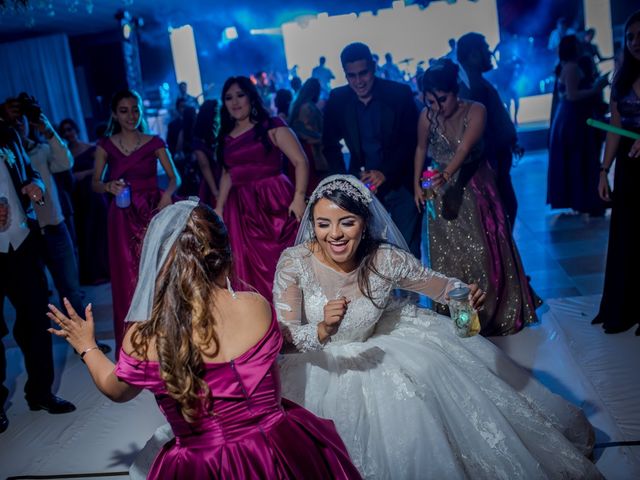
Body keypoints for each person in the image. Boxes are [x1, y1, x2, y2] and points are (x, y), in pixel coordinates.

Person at [273, 175, 601, 479]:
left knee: (424, 382)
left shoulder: (385, 259)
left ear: (364, 222)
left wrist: (465, 301)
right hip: (318, 365)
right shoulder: (294, 263)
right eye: (323, 224)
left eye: (347, 222)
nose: (335, 234)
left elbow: (444, 288)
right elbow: (284, 339)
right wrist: (321, 330)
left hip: (377, 344)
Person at [47, 200, 361, 479]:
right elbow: (277, 346)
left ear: (159, 265)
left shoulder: (146, 337)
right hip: (281, 447)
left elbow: (116, 390)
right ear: (224, 256)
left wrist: (86, 345)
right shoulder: (256, 307)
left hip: (203, 463)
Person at [413, 59, 539, 336]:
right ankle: (459, 320)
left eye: (442, 100)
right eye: (430, 102)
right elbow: (421, 148)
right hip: (440, 190)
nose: (436, 108)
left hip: (475, 186)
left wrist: (445, 176)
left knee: (482, 251)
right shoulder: (427, 116)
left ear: (455, 91)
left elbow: (464, 149)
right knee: (447, 256)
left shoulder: (476, 110)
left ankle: (491, 315)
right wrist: (416, 185)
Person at [1, 99, 75, 434]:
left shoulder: (7, 133)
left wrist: (38, 187)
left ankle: (41, 392)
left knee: (35, 317)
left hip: (23, 241)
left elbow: (31, 173)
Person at [93, 89, 180, 354]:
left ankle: (169, 337)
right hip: (121, 216)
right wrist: (108, 186)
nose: (131, 115)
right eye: (124, 110)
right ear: (114, 114)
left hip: (153, 211)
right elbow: (94, 183)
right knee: (128, 274)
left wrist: (167, 195)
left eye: (135, 109)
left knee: (160, 271)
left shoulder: (154, 141)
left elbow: (175, 177)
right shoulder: (105, 146)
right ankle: (137, 343)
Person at [323, 42, 421, 258]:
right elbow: (329, 144)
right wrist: (345, 180)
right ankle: (384, 294)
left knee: (406, 252)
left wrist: (385, 171)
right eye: (352, 76)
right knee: (371, 255)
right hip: (362, 189)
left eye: (363, 73)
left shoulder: (399, 94)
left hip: (401, 183)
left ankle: (406, 294)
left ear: (373, 67)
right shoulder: (338, 99)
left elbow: (411, 141)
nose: (359, 81)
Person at [214, 76, 308, 302]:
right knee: (246, 267)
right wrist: (218, 208)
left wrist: (299, 197)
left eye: (240, 95)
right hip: (241, 210)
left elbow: (300, 161)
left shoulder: (272, 126)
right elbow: (228, 173)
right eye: (229, 98)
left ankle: (294, 322)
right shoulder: (225, 138)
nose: (235, 102)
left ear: (251, 97)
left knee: (283, 262)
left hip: (274, 200)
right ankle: (265, 322)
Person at [592, 10, 640, 335]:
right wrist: (603, 169)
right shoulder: (620, 79)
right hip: (630, 164)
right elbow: (614, 127)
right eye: (631, 37)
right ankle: (625, 306)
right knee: (628, 235)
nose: (636, 43)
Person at [457, 32, 520, 229]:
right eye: (485, 49)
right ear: (474, 55)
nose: (489, 54)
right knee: (504, 211)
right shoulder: (473, 87)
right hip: (492, 159)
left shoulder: (477, 82)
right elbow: (480, 129)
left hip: (496, 157)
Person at [547, 35, 609, 216]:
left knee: (578, 158)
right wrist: (597, 88)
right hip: (574, 117)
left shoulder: (566, 66)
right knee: (582, 156)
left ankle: (581, 199)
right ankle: (586, 199)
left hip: (569, 116)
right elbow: (573, 95)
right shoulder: (572, 67)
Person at [59, 118, 110, 285]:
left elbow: (103, 169)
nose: (68, 133)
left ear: (76, 130)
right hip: (77, 198)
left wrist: (84, 174)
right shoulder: (64, 154)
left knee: (101, 232)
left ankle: (107, 270)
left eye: (70, 129)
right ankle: (92, 274)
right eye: (65, 131)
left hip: (94, 194)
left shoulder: (92, 148)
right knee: (84, 234)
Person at [289, 78, 328, 194]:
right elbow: (303, 130)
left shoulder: (299, 103)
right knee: (314, 189)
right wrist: (320, 138)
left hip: (305, 149)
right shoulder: (307, 107)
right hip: (311, 150)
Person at [192, 99, 220, 208]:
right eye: (217, 111)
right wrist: (215, 192)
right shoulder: (200, 140)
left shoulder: (214, 133)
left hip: (220, 180)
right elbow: (204, 166)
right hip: (212, 182)